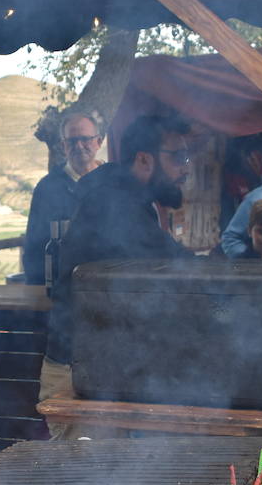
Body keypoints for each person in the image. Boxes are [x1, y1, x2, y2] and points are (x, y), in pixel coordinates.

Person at [39, 114, 193, 427]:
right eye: (177, 157)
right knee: (81, 474)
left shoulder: (128, 196)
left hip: (103, 370)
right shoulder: (114, 203)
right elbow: (176, 267)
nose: (185, 168)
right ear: (145, 159)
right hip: (79, 376)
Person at [22, 111, 102, 284]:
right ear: (64, 146)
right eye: (72, 141)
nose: (79, 146)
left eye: (86, 139)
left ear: (99, 142)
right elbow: (34, 249)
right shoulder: (47, 189)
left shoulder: (114, 183)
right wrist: (40, 295)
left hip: (109, 290)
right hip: (63, 292)